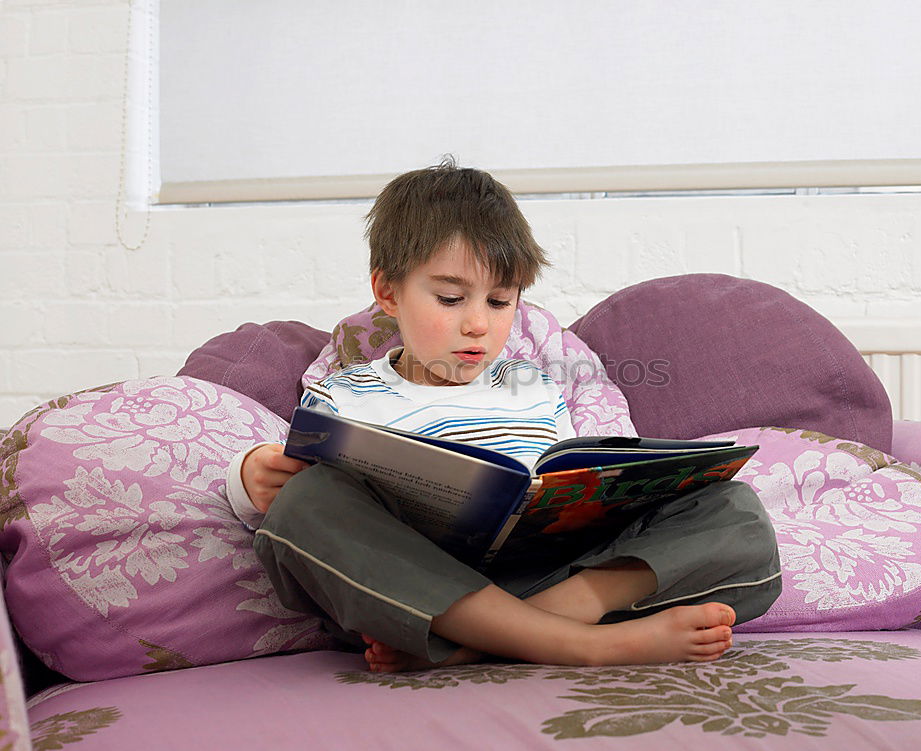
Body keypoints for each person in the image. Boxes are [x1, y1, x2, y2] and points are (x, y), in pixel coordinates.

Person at [225, 158, 781, 673]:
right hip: (411, 584)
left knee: (734, 508)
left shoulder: (533, 386)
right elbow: (290, 502)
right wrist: (252, 476)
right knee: (305, 505)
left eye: (499, 302)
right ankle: (582, 642)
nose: (478, 325)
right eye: (450, 299)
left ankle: (491, 639)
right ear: (387, 293)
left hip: (544, 572)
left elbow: (571, 479)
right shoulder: (346, 393)